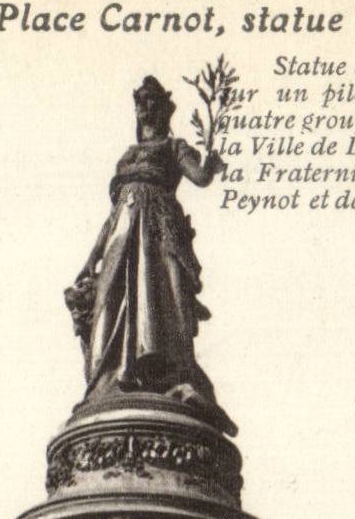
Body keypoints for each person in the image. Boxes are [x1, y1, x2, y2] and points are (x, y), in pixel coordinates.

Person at [66, 75, 231, 426]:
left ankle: (163, 372)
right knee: (109, 302)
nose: (146, 108)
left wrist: (211, 167)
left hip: (158, 227)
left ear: (164, 109)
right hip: (121, 231)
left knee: (164, 297)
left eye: (152, 102)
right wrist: (90, 260)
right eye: (141, 102)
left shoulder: (174, 148)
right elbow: (111, 218)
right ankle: (112, 378)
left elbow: (199, 177)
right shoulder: (128, 157)